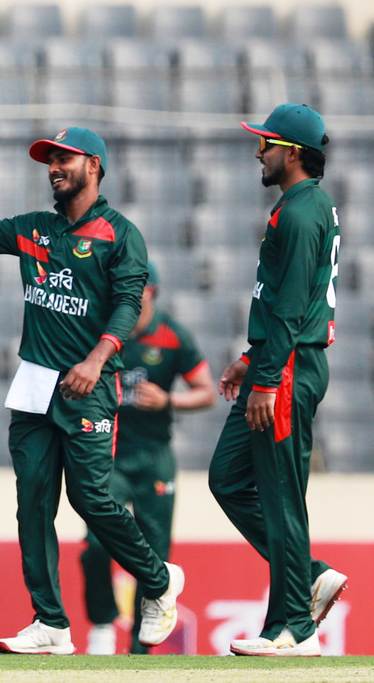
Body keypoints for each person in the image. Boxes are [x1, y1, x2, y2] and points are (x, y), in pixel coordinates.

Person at [0, 123, 184, 655]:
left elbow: (128, 305)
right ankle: (51, 623)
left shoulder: (120, 234)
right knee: (33, 505)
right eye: (50, 160)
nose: (55, 168)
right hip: (34, 385)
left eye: (65, 158)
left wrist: (96, 359)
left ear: (95, 165)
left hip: (90, 386)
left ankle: (159, 581)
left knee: (91, 500)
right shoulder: (36, 228)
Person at [209, 103, 347, 657]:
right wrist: (253, 356)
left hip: (288, 368)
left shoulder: (300, 212)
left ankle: (294, 629)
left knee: (281, 496)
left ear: (292, 152)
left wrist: (266, 378)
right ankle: (308, 579)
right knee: (228, 478)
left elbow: (291, 305)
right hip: (276, 359)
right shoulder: (305, 205)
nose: (258, 152)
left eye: (266, 143)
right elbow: (285, 300)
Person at [80, 262, 216, 655]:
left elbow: (206, 392)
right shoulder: (102, 332)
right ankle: (102, 623)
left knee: (154, 555)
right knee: (96, 543)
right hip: (109, 455)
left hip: (154, 457)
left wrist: (168, 400)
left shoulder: (173, 336)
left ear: (150, 291)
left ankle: (141, 651)